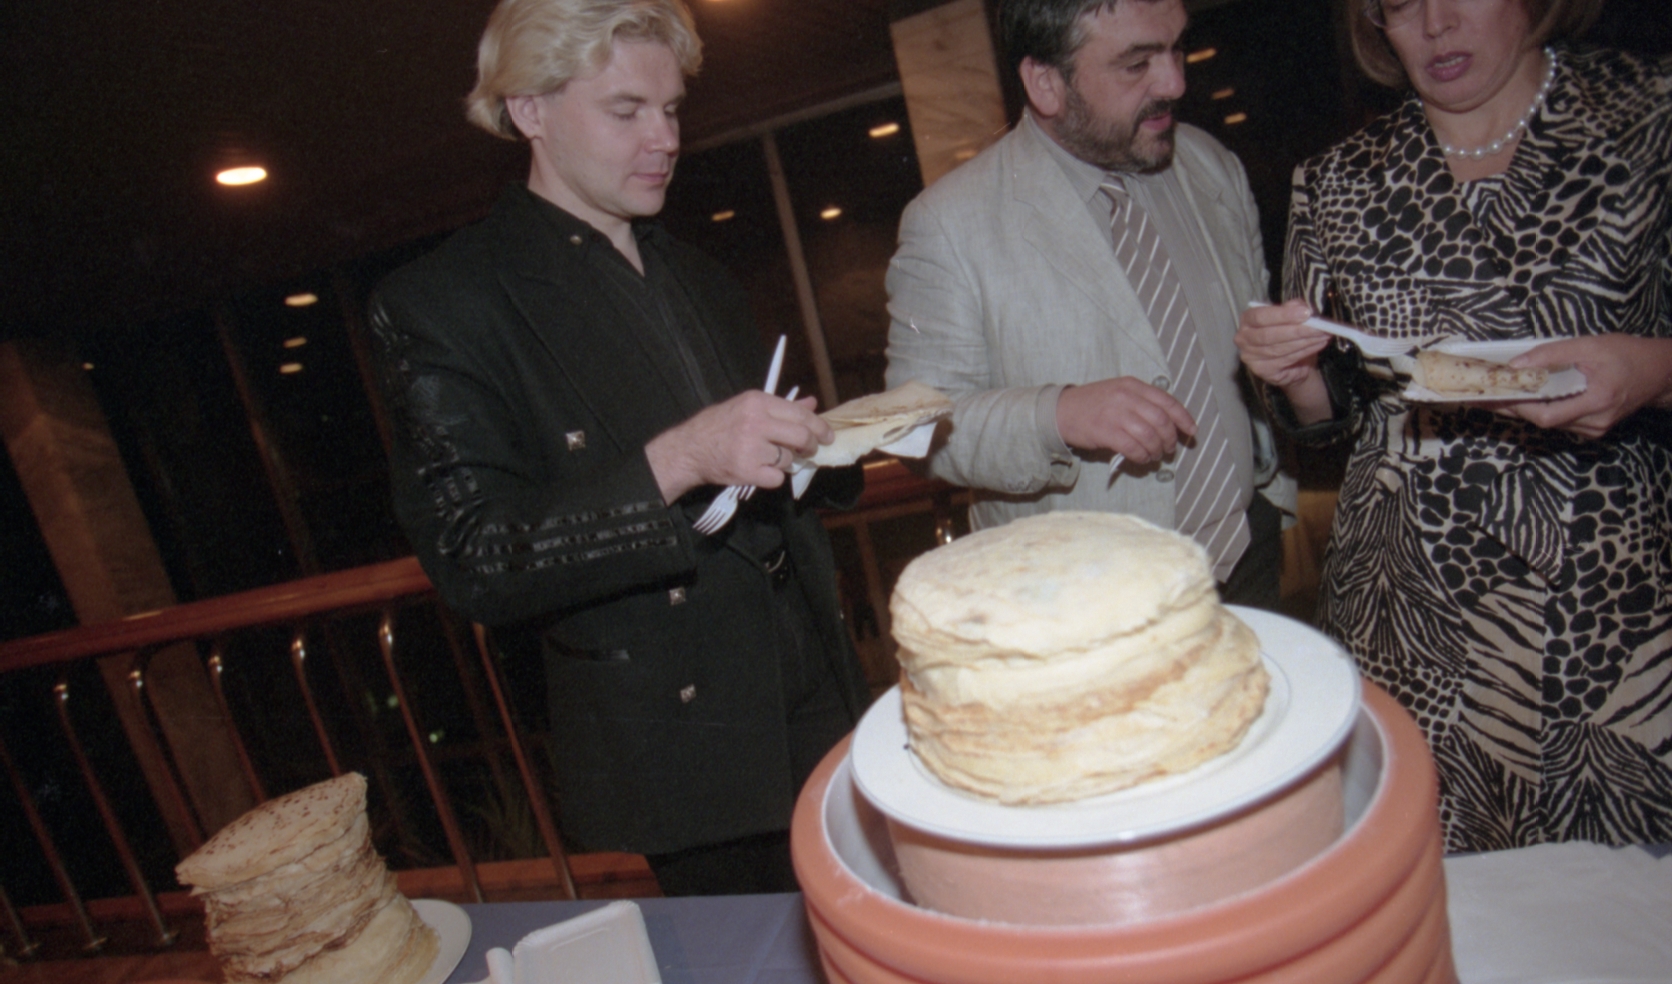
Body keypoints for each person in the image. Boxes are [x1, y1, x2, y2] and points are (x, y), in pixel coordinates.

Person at [365, 0, 870, 895]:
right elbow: (479, 559)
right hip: (693, 740)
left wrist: (816, 448)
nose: (665, 139)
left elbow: (748, 473)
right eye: (626, 110)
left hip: (817, 687)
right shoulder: (446, 302)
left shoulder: (698, 274)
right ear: (529, 109)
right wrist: (684, 456)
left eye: (671, 109)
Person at [1237, 0, 1672, 850]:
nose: (1435, 23)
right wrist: (1292, 375)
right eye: (1401, 4)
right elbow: (1332, 415)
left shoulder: (1647, 117)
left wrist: (1653, 372)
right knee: (1438, 888)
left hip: (1609, 595)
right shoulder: (1338, 179)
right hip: (1409, 605)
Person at [884, 0, 1292, 610]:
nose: (1174, 82)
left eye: (1176, 48)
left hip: (1250, 554)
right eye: (1136, 64)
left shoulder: (1212, 164)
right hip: (1087, 604)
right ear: (1046, 83)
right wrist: (1058, 414)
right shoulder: (948, 224)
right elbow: (912, 427)